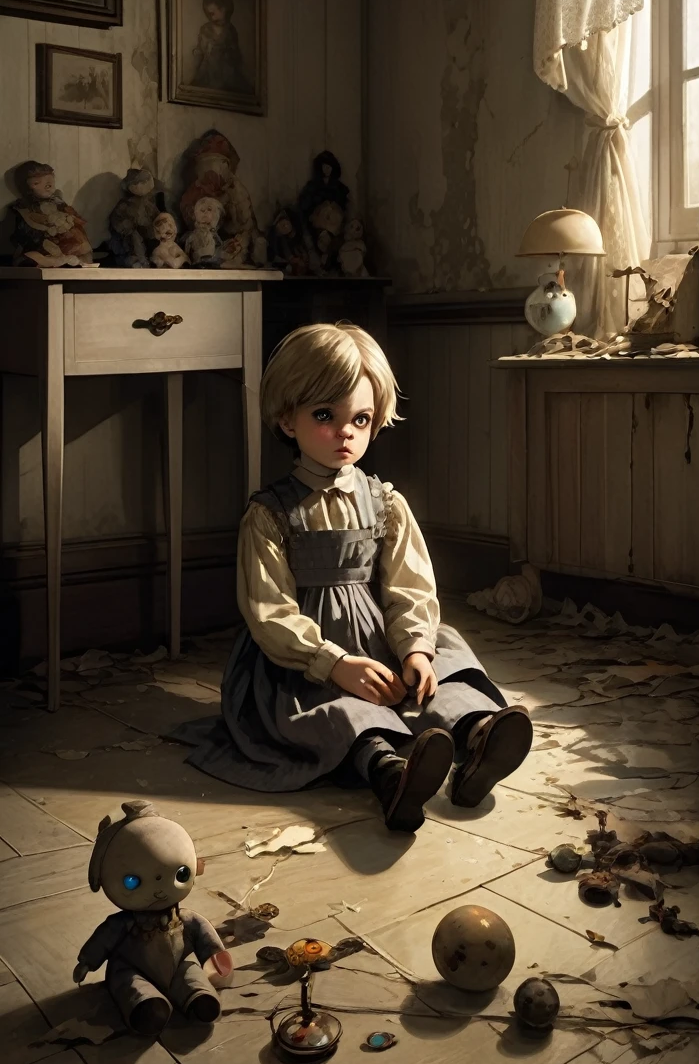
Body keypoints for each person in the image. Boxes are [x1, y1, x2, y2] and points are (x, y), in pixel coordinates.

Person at [176, 323, 533, 833]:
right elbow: (269, 611)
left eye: (360, 418)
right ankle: (392, 774)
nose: (346, 431)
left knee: (444, 660)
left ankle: (478, 735)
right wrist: (332, 661)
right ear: (287, 418)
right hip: (307, 656)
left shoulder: (385, 503)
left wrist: (414, 648)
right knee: (331, 710)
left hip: (379, 637)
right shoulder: (270, 515)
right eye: (326, 415)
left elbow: (410, 585)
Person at [191, 0, 252, 93]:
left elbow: (235, 52)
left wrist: (231, 54)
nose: (212, 18)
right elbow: (200, 49)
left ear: (226, 9)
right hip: (209, 68)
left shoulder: (231, 30)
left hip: (226, 70)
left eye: (214, 13)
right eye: (210, 14)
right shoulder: (205, 29)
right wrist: (199, 52)